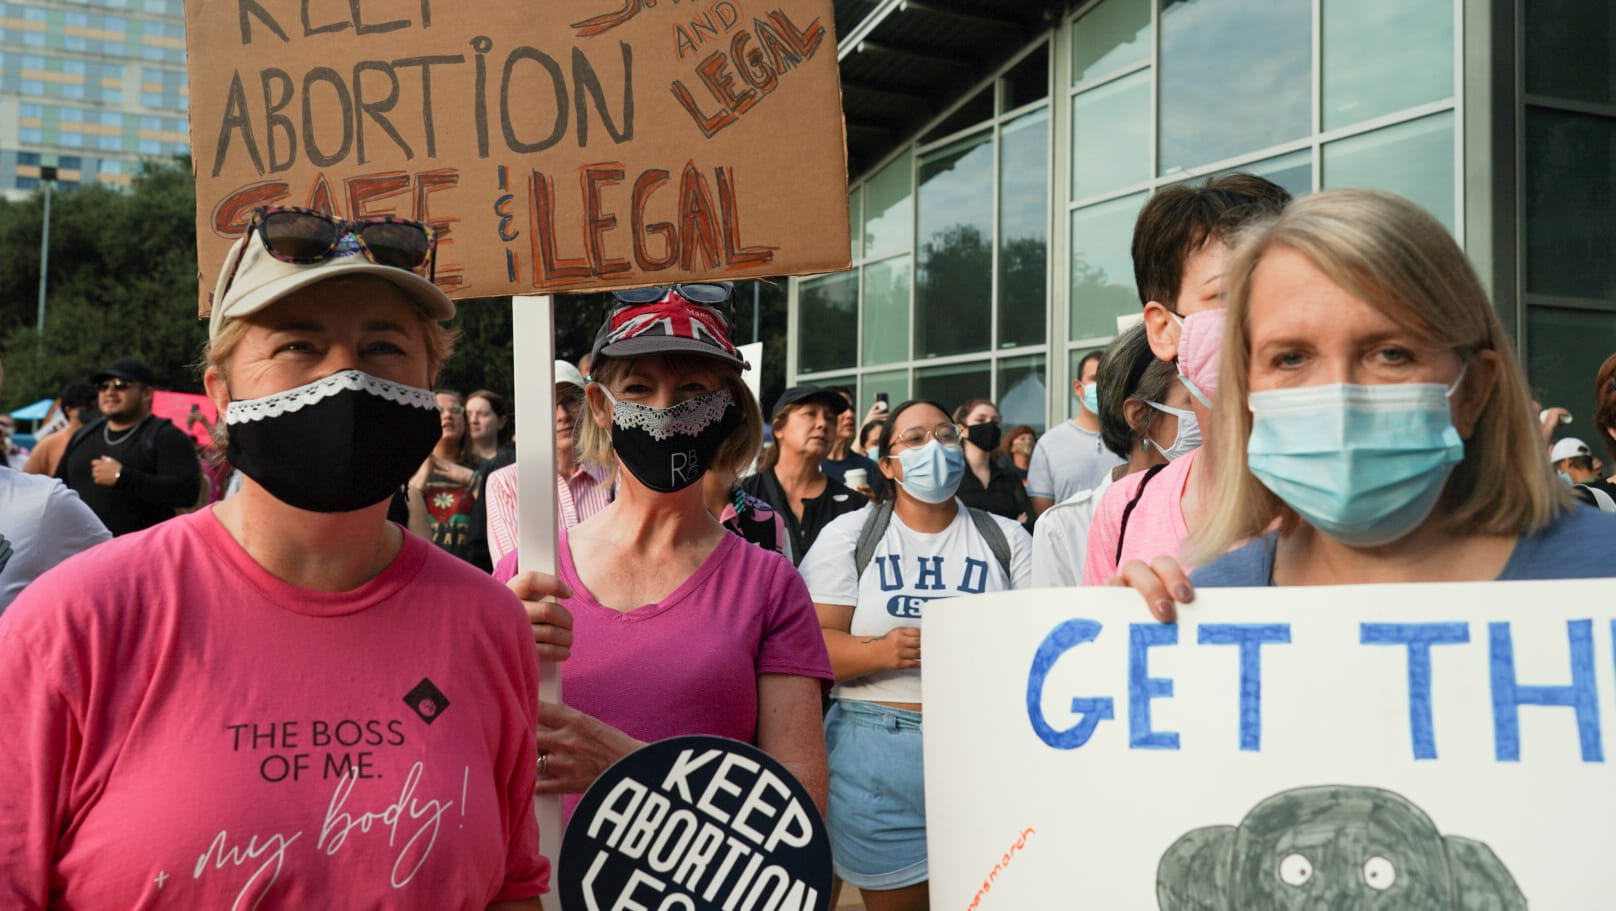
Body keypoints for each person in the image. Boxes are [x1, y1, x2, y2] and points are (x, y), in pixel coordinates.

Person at [0, 208, 553, 906]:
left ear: (429, 381)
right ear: (222, 393)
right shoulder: (73, 624)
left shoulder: (488, 625)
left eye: (383, 347)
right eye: (298, 345)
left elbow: (511, 886)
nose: (345, 377)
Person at [1111, 190, 1616, 621]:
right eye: (1290, 357)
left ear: (1475, 388)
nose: (1339, 395)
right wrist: (1126, 647)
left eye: (1391, 353)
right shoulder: (1215, 609)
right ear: (1246, 393)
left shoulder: (1602, 568)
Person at [494, 283, 831, 821]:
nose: (664, 411)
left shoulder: (769, 586)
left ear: (726, 411)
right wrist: (483, 656)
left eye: (692, 389)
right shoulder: (530, 574)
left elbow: (800, 809)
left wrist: (624, 766)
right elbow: (472, 764)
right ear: (601, 408)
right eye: (639, 387)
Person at [800, 399, 1031, 911]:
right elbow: (812, 649)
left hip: (984, 756)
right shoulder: (850, 535)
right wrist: (883, 651)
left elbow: (1038, 645)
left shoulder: (1008, 539)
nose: (936, 447)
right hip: (877, 758)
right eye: (915, 438)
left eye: (947, 435)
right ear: (887, 465)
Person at [1083, 174, 1292, 584]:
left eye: (1281, 290)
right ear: (1164, 328)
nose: (1265, 319)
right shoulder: (1126, 507)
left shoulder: (1352, 494)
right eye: (1229, 296)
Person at [1033, 326, 1196, 587]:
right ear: (1139, 416)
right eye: (1192, 399)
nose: (1211, 410)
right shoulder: (1065, 527)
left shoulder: (1231, 506)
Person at [55, 357, 203, 536]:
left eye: (121, 384)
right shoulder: (83, 434)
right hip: (82, 553)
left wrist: (124, 477)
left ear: (147, 393)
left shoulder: (166, 436)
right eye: (103, 385)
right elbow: (58, 488)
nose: (110, 391)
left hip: (141, 554)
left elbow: (187, 493)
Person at [484, 361, 613, 566]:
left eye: (570, 401)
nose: (562, 415)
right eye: (548, 403)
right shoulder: (506, 484)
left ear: (589, 403)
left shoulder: (615, 473)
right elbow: (515, 573)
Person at [740, 384, 867, 564]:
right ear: (778, 428)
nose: (823, 424)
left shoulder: (854, 505)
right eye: (810, 414)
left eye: (830, 418)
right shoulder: (742, 495)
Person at [1027, 349, 1124, 516]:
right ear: (1078, 388)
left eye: (1109, 379)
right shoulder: (1050, 443)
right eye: (1095, 379)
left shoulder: (1134, 440)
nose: (1103, 386)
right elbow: (1043, 514)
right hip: (1068, 540)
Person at [404, 389, 482, 563]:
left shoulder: (483, 469)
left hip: (473, 571)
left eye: (455, 411)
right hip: (423, 570)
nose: (448, 416)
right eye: (439, 411)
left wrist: (475, 481)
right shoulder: (406, 470)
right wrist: (419, 480)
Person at [954, 397, 1032, 527]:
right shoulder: (951, 478)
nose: (989, 425)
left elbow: (1029, 523)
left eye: (995, 422)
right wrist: (1012, 524)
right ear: (962, 429)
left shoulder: (1009, 479)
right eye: (981, 420)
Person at [463, 389, 515, 573]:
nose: (474, 420)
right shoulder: (452, 463)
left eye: (482, 414)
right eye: (468, 414)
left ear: (501, 421)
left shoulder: (511, 463)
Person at [23, 381, 98, 477]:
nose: (93, 412)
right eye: (87, 408)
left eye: (95, 407)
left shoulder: (105, 440)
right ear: (68, 410)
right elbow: (28, 481)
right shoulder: (48, 444)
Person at [820, 386, 879, 486]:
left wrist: (872, 500)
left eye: (852, 409)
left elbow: (882, 500)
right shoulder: (810, 467)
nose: (850, 415)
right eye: (842, 409)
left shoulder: (868, 467)